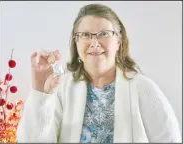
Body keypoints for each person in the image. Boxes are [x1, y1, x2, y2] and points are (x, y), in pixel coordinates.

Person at [17, 3, 181, 143]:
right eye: (86, 35)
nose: (95, 43)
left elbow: (170, 139)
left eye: (103, 34)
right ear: (76, 41)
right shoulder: (61, 88)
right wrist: (41, 93)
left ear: (118, 41)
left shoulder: (143, 88)